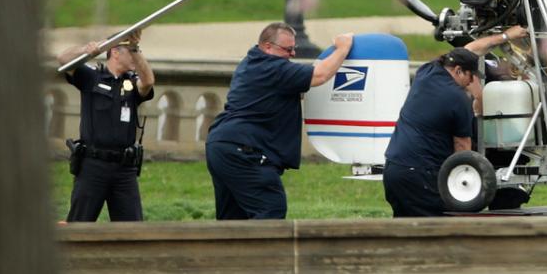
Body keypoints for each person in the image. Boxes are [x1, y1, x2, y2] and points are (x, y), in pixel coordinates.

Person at [206, 22, 353, 219]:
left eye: (294, 49)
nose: (293, 54)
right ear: (268, 47)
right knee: (270, 211)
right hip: (245, 151)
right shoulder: (273, 68)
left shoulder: (251, 63)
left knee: (233, 220)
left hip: (222, 146)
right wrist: (343, 48)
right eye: (288, 49)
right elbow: (320, 74)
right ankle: (267, 251)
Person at [383, 26, 528, 217]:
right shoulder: (457, 98)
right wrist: (479, 98)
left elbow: (471, 48)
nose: (471, 81)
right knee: (440, 233)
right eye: (471, 76)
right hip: (421, 177)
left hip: (393, 169)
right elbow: (463, 153)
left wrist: (506, 36)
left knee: (403, 234)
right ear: (459, 70)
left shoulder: (427, 71)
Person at [56, 29, 155, 222]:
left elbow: (148, 81)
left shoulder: (132, 82)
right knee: (80, 225)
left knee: (133, 232)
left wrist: (134, 47)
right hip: (93, 165)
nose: (135, 56)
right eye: (130, 51)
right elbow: (62, 58)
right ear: (115, 52)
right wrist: (88, 50)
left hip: (124, 169)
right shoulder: (92, 77)